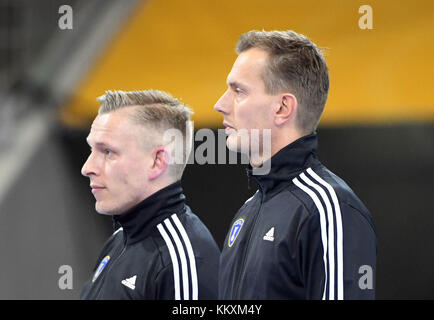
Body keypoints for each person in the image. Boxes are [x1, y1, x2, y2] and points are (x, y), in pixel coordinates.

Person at [214, 30, 377, 300]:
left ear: (282, 108)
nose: (220, 105)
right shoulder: (248, 210)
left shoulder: (329, 208)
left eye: (238, 91)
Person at [80, 89, 220, 299]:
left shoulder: (181, 259)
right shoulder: (119, 240)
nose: (87, 167)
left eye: (107, 152)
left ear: (157, 162)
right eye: (92, 150)